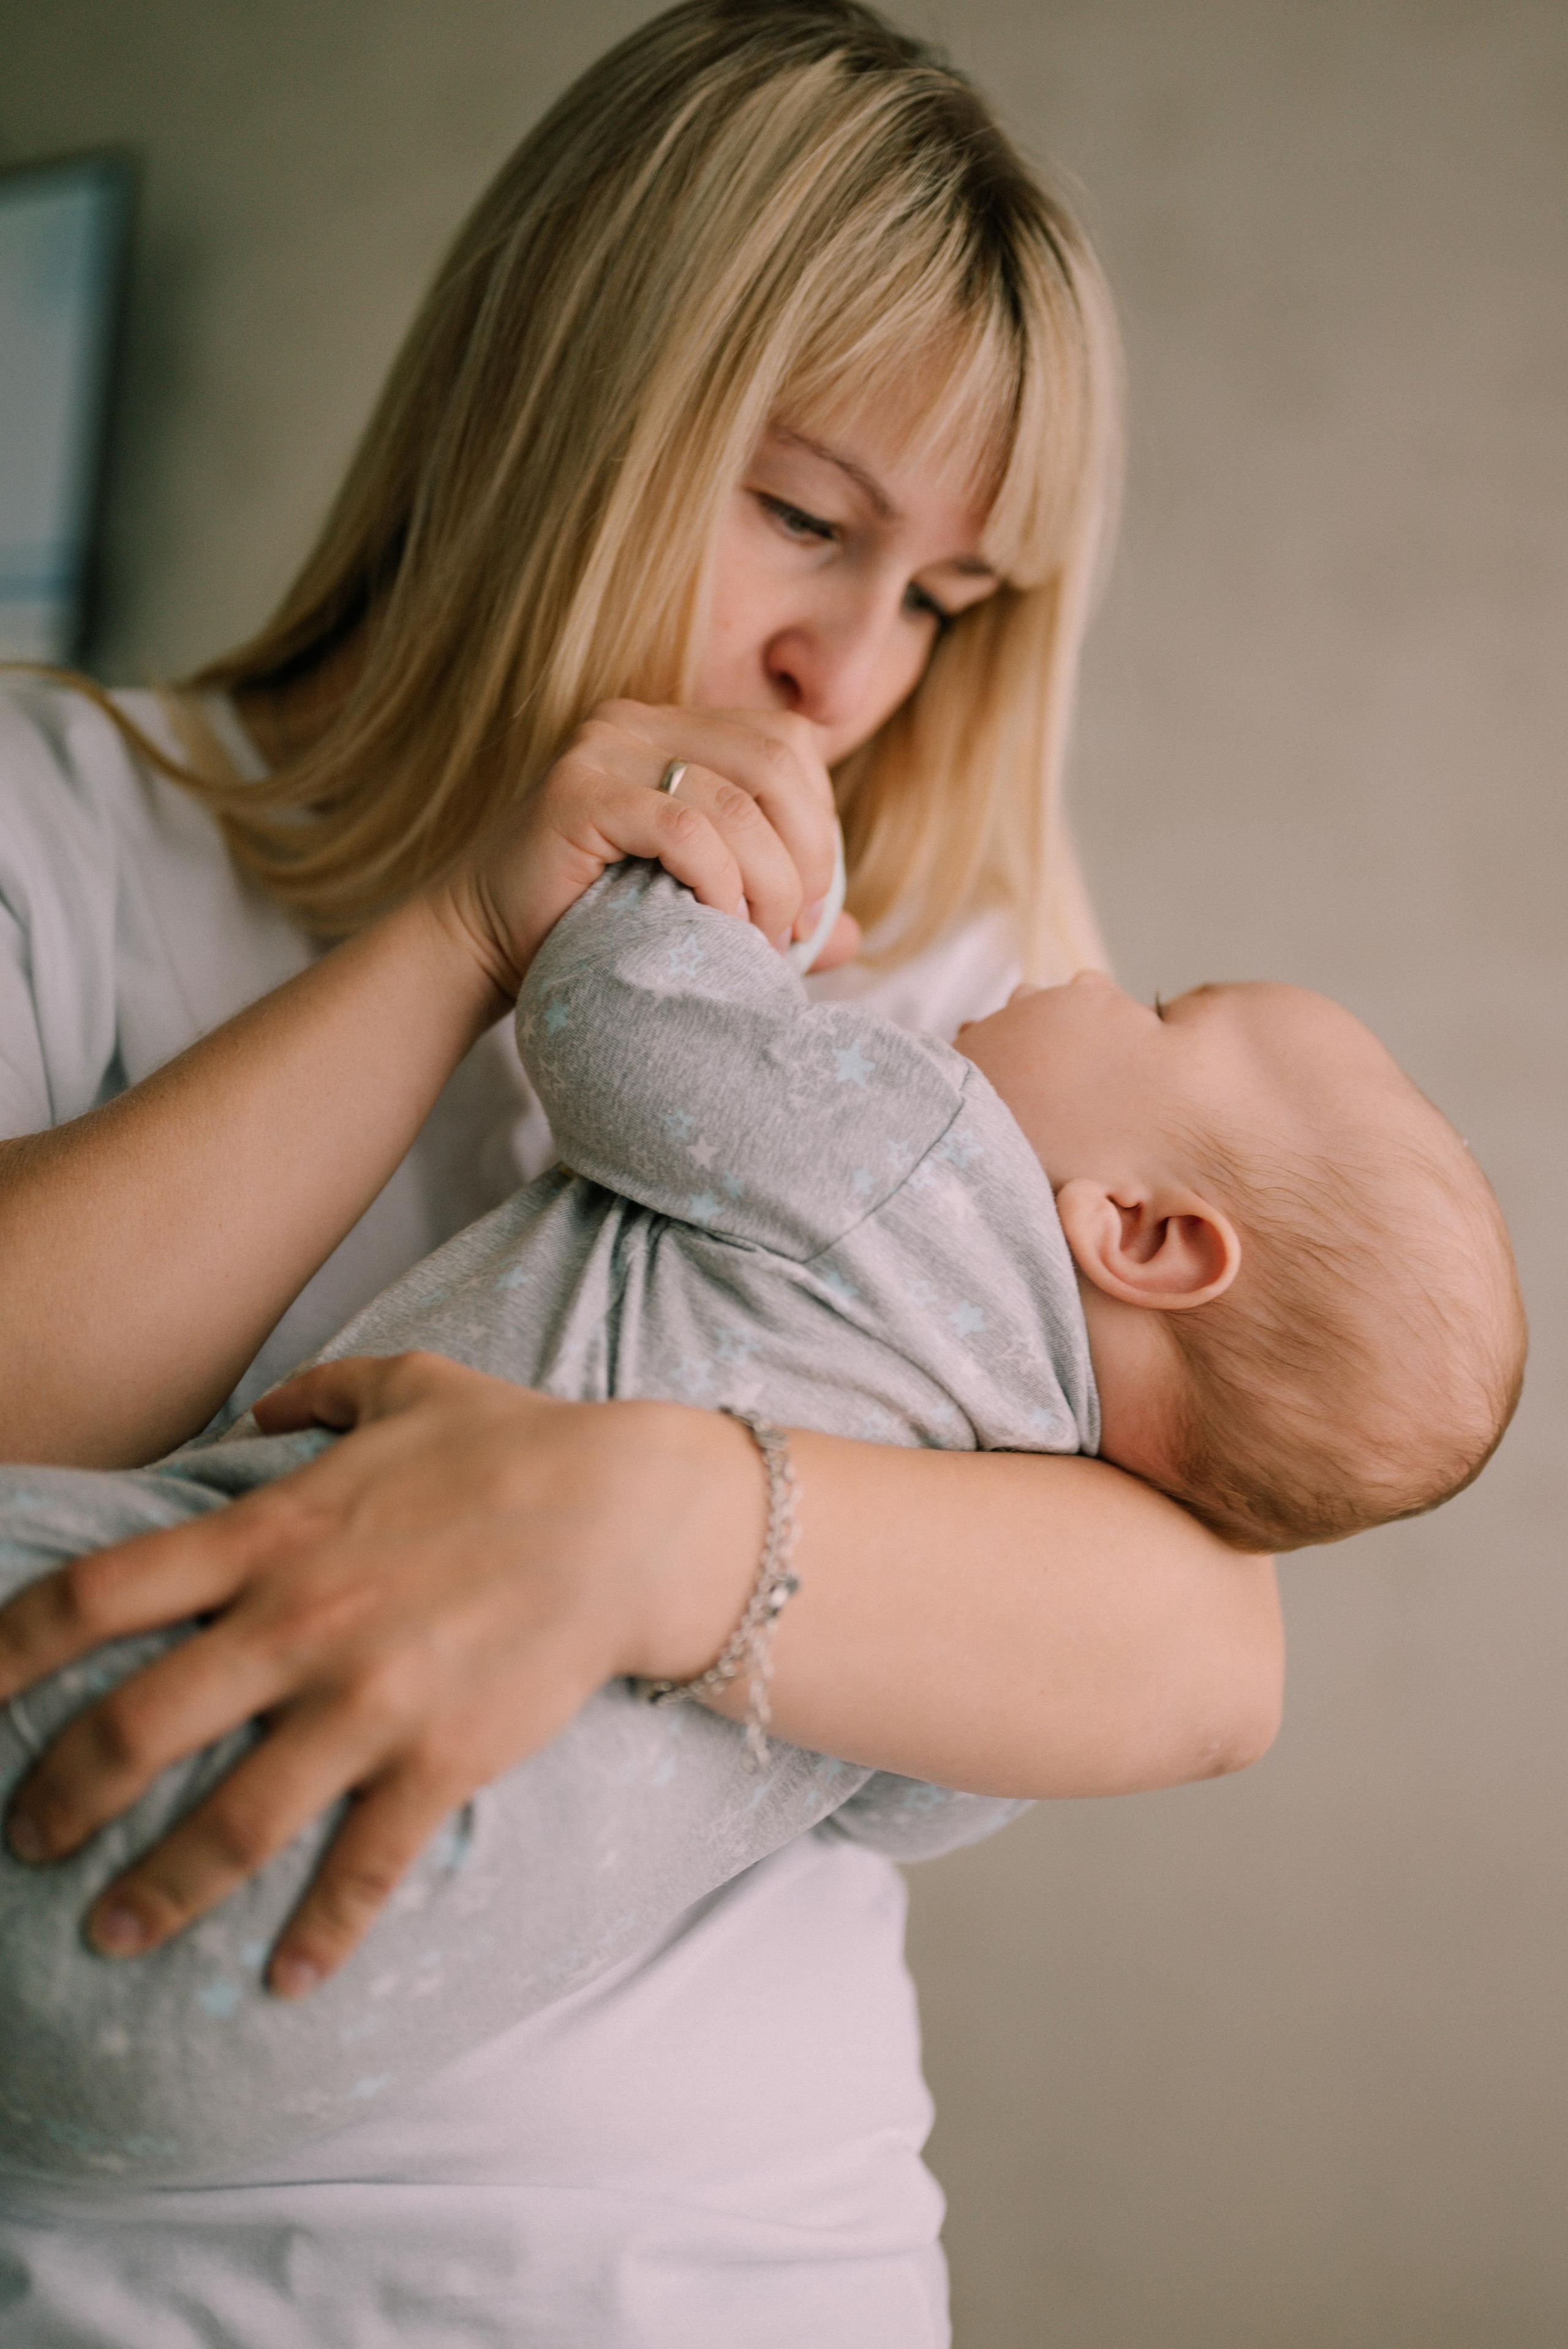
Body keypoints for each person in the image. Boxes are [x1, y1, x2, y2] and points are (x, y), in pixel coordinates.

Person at [0, 4, 1287, 2339]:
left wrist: (651, 1521)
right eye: (806, 516)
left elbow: (1208, 1653)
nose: (848, 670)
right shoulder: (70, 816)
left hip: (741, 2275)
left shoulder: (943, 968)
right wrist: (464, 935)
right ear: (553, 401)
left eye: (948, 596)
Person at [0, 854, 1523, 2195]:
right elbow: (905, 1811)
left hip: (161, 1711)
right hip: (231, 2059)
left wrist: (684, 860)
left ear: (1137, 1234)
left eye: (1159, 1013)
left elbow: (619, 1022)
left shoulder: (921, 1154)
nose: (1082, 972)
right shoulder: (994, 1564)